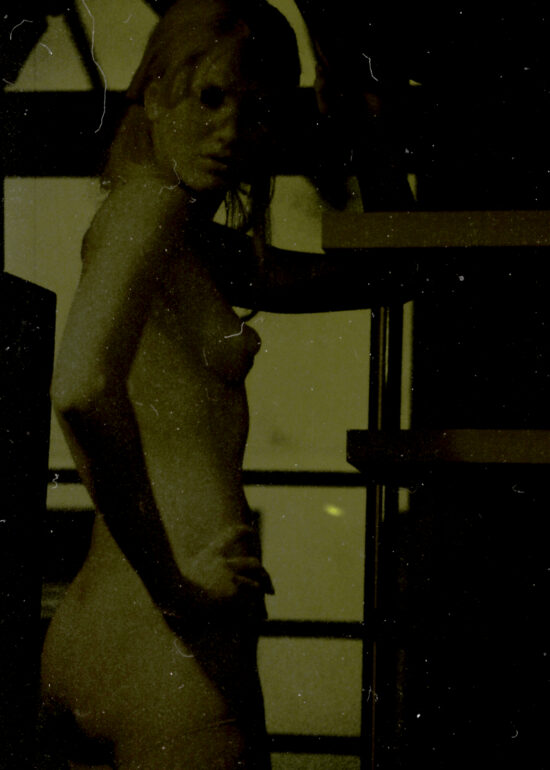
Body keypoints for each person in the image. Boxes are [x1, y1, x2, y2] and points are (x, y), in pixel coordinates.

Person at [40, 1, 409, 767]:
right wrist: (178, 590)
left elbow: (396, 272)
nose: (232, 131)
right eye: (209, 97)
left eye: (258, 109)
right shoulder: (150, 207)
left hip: (114, 624)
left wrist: (363, 118)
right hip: (171, 636)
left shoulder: (184, 236)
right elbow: (78, 388)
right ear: (154, 92)